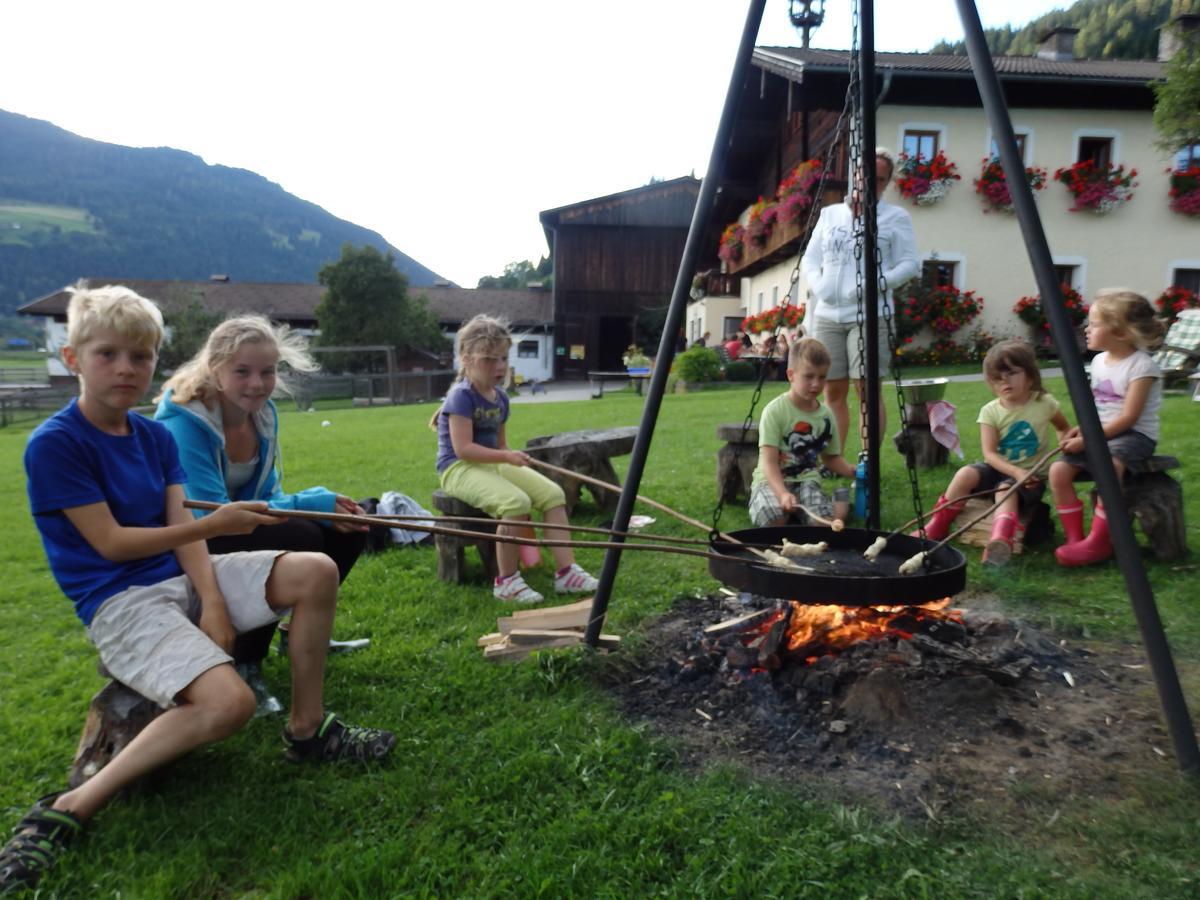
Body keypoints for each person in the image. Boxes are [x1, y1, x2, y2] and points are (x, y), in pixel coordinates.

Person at [0, 284, 394, 894]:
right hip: (119, 602)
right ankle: (70, 806)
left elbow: (182, 528)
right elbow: (109, 543)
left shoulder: (153, 437)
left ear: (158, 359)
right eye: (108, 354)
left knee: (314, 567)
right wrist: (215, 527)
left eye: (141, 356)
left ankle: (308, 732)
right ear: (73, 359)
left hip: (179, 577)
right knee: (229, 704)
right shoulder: (56, 443)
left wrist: (211, 598)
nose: (127, 369)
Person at [154, 315, 369, 715]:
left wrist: (317, 509)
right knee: (301, 537)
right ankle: (246, 662)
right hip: (195, 539)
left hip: (236, 526)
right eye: (242, 372)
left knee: (349, 528)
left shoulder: (263, 414)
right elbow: (212, 511)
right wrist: (311, 506)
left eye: (266, 372)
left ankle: (297, 632)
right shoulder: (184, 423)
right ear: (214, 369)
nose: (257, 383)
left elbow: (268, 495)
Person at [431, 314, 600, 603]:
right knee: (515, 502)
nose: (499, 367)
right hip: (457, 468)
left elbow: (499, 444)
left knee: (553, 494)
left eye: (503, 359)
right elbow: (464, 450)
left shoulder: (501, 397)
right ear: (466, 358)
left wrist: (510, 457)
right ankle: (506, 582)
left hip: (489, 462)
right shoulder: (461, 396)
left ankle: (567, 573)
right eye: (488, 359)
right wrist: (506, 456)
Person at [801, 148, 919, 457]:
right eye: (866, 176)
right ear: (856, 175)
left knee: (866, 389)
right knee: (832, 390)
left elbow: (909, 264)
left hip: (871, 314)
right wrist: (819, 284)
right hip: (828, 314)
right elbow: (810, 258)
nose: (871, 184)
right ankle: (833, 457)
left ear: (886, 183)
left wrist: (874, 285)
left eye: (880, 180)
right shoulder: (830, 215)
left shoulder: (895, 218)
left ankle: (868, 459)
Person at [913, 341, 1070, 565]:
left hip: (1029, 480)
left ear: (1030, 375)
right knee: (966, 473)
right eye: (997, 377)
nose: (1004, 380)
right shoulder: (990, 411)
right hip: (1001, 469)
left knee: (1005, 488)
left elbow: (1063, 427)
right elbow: (990, 455)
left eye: (1012, 373)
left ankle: (1000, 541)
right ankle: (937, 526)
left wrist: (1064, 441)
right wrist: (1015, 471)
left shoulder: (1044, 403)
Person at [1049, 289, 1165, 567]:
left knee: (1109, 466)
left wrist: (1089, 440)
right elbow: (1097, 408)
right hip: (1100, 432)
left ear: (1121, 333)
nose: (1086, 329)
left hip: (1134, 435)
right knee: (1058, 470)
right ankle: (1075, 539)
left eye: (1094, 324)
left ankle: (1098, 543)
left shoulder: (1142, 367)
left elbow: (1128, 418)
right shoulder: (1099, 361)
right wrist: (1080, 429)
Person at [749, 337, 855, 528]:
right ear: (791, 375)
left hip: (807, 481)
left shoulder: (826, 415)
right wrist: (782, 493)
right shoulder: (775, 411)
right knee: (774, 521)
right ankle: (786, 510)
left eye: (822, 377)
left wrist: (852, 471)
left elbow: (831, 458)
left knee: (823, 524)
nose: (816, 384)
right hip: (771, 480)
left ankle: (838, 501)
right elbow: (769, 462)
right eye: (809, 376)